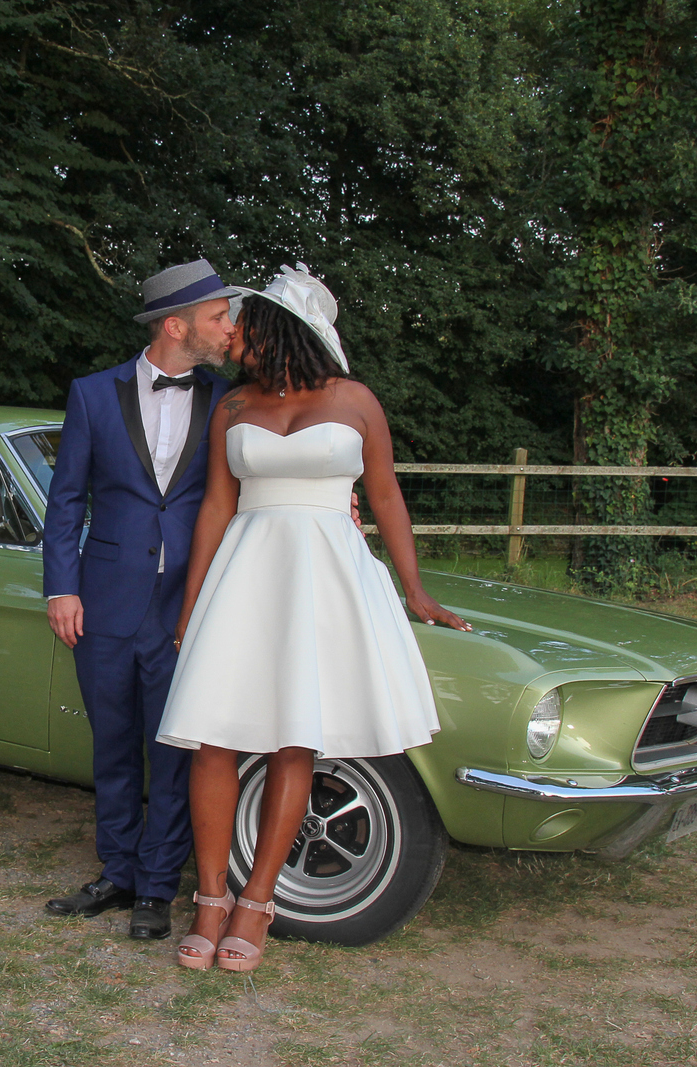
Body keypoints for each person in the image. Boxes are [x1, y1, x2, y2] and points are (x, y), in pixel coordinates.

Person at [156, 264, 471, 972]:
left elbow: (385, 496)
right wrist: (192, 602)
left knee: (293, 741)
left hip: (325, 578)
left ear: (282, 331)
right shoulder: (234, 406)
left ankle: (257, 902)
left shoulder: (356, 400)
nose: (234, 338)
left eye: (246, 328)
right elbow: (217, 505)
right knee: (212, 739)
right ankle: (210, 897)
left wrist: (416, 591)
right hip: (245, 576)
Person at [42, 258, 240, 940]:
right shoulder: (92, 393)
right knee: (113, 744)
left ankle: (157, 886)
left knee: (176, 751)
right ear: (175, 326)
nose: (229, 328)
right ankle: (118, 872)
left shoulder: (228, 400)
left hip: (187, 605)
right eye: (218, 316)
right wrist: (61, 586)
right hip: (102, 601)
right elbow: (66, 499)